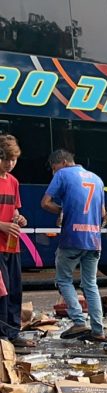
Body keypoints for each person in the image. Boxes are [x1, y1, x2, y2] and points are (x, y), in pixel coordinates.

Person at [42, 149, 107, 341]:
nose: (54, 173)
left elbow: (45, 203)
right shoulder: (97, 179)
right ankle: (98, 330)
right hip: (94, 240)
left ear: (62, 163)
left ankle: (79, 322)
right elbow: (103, 213)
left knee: (63, 279)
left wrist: (63, 211)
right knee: (90, 284)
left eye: (54, 169)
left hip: (72, 238)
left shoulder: (62, 174)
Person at [0, 135, 29, 346]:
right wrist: (2, 225)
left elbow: (15, 209)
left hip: (12, 244)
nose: (10, 164)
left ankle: (13, 332)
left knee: (14, 290)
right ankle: (2, 335)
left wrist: (19, 218)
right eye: (6, 159)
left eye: (14, 160)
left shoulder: (14, 181)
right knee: (1, 292)